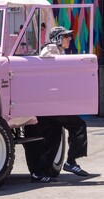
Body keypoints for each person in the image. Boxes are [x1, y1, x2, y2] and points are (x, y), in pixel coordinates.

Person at [24, 26, 89, 183]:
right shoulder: (50, 50)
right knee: (79, 125)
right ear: (57, 38)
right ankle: (71, 162)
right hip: (50, 104)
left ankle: (39, 173)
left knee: (53, 139)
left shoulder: (57, 52)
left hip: (47, 104)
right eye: (66, 36)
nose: (69, 39)